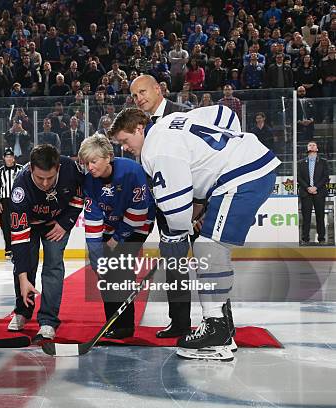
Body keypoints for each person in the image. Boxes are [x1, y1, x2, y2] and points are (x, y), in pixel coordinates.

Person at [110, 105, 280, 361]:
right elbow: (225, 115)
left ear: (139, 128)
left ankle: (216, 332)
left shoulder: (156, 149)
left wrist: (173, 238)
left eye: (124, 140)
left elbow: (177, 210)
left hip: (241, 176)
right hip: (252, 165)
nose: (124, 147)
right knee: (209, 248)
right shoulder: (173, 120)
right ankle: (224, 327)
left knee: (207, 249)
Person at [130, 74, 192, 339]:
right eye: (134, 95)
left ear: (158, 89)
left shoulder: (184, 115)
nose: (139, 98)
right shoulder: (139, 124)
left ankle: (221, 324)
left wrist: (202, 205)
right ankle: (179, 323)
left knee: (211, 266)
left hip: (194, 204)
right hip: (163, 207)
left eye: (143, 92)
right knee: (174, 266)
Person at [78, 135, 155, 339]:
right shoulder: (89, 182)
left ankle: (125, 326)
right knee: (106, 273)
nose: (90, 167)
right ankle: (112, 322)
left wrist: (116, 239)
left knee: (121, 268)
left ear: (108, 157)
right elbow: (93, 222)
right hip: (110, 227)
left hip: (138, 224)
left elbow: (139, 214)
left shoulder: (132, 171)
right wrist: (96, 259)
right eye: (86, 163)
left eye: (93, 161)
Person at [7, 144, 84, 342]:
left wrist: (65, 222)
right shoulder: (20, 187)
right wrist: (23, 278)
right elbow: (19, 238)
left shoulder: (70, 168)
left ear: (58, 168)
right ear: (31, 168)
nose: (45, 183)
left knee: (53, 265)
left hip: (57, 223)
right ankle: (22, 311)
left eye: (50, 178)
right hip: (30, 226)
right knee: (26, 265)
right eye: (39, 178)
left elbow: (79, 195)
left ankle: (48, 320)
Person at [298, 141, 330, 245]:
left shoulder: (323, 162)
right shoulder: (301, 162)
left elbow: (325, 177)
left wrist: (316, 187)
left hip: (319, 192)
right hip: (306, 193)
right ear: (307, 148)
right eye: (309, 145)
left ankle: (321, 238)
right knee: (306, 217)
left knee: (320, 216)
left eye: (314, 145)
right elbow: (299, 178)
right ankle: (305, 238)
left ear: (317, 149)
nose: (312, 146)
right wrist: (308, 187)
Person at [0, 148, 24, 259]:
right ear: (4, 158)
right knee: (6, 225)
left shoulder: (21, 169)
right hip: (5, 201)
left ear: (13, 158)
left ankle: (18, 248)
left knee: (18, 224)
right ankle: (8, 249)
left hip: (18, 200)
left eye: (10, 156)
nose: (9, 159)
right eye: (7, 156)